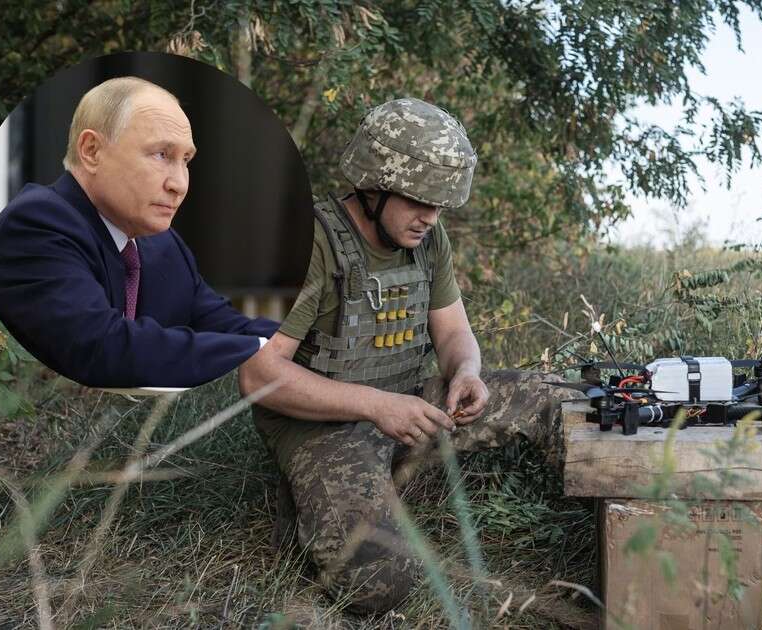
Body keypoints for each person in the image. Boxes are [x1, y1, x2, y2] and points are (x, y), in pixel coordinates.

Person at [240, 98, 561, 614]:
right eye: (418, 201)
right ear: (374, 185)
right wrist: (374, 406)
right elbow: (258, 376)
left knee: (557, 397)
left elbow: (454, 329)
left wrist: (466, 372)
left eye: (439, 205)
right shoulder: (304, 242)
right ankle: (321, 508)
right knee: (380, 584)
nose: (430, 218)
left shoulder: (428, 240)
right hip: (321, 427)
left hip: (411, 406)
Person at [0, 76, 278, 388]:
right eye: (162, 154)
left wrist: (304, 345)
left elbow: (228, 327)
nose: (180, 184)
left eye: (185, 160)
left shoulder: (163, 245)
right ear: (91, 150)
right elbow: (103, 349)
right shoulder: (37, 223)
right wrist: (262, 353)